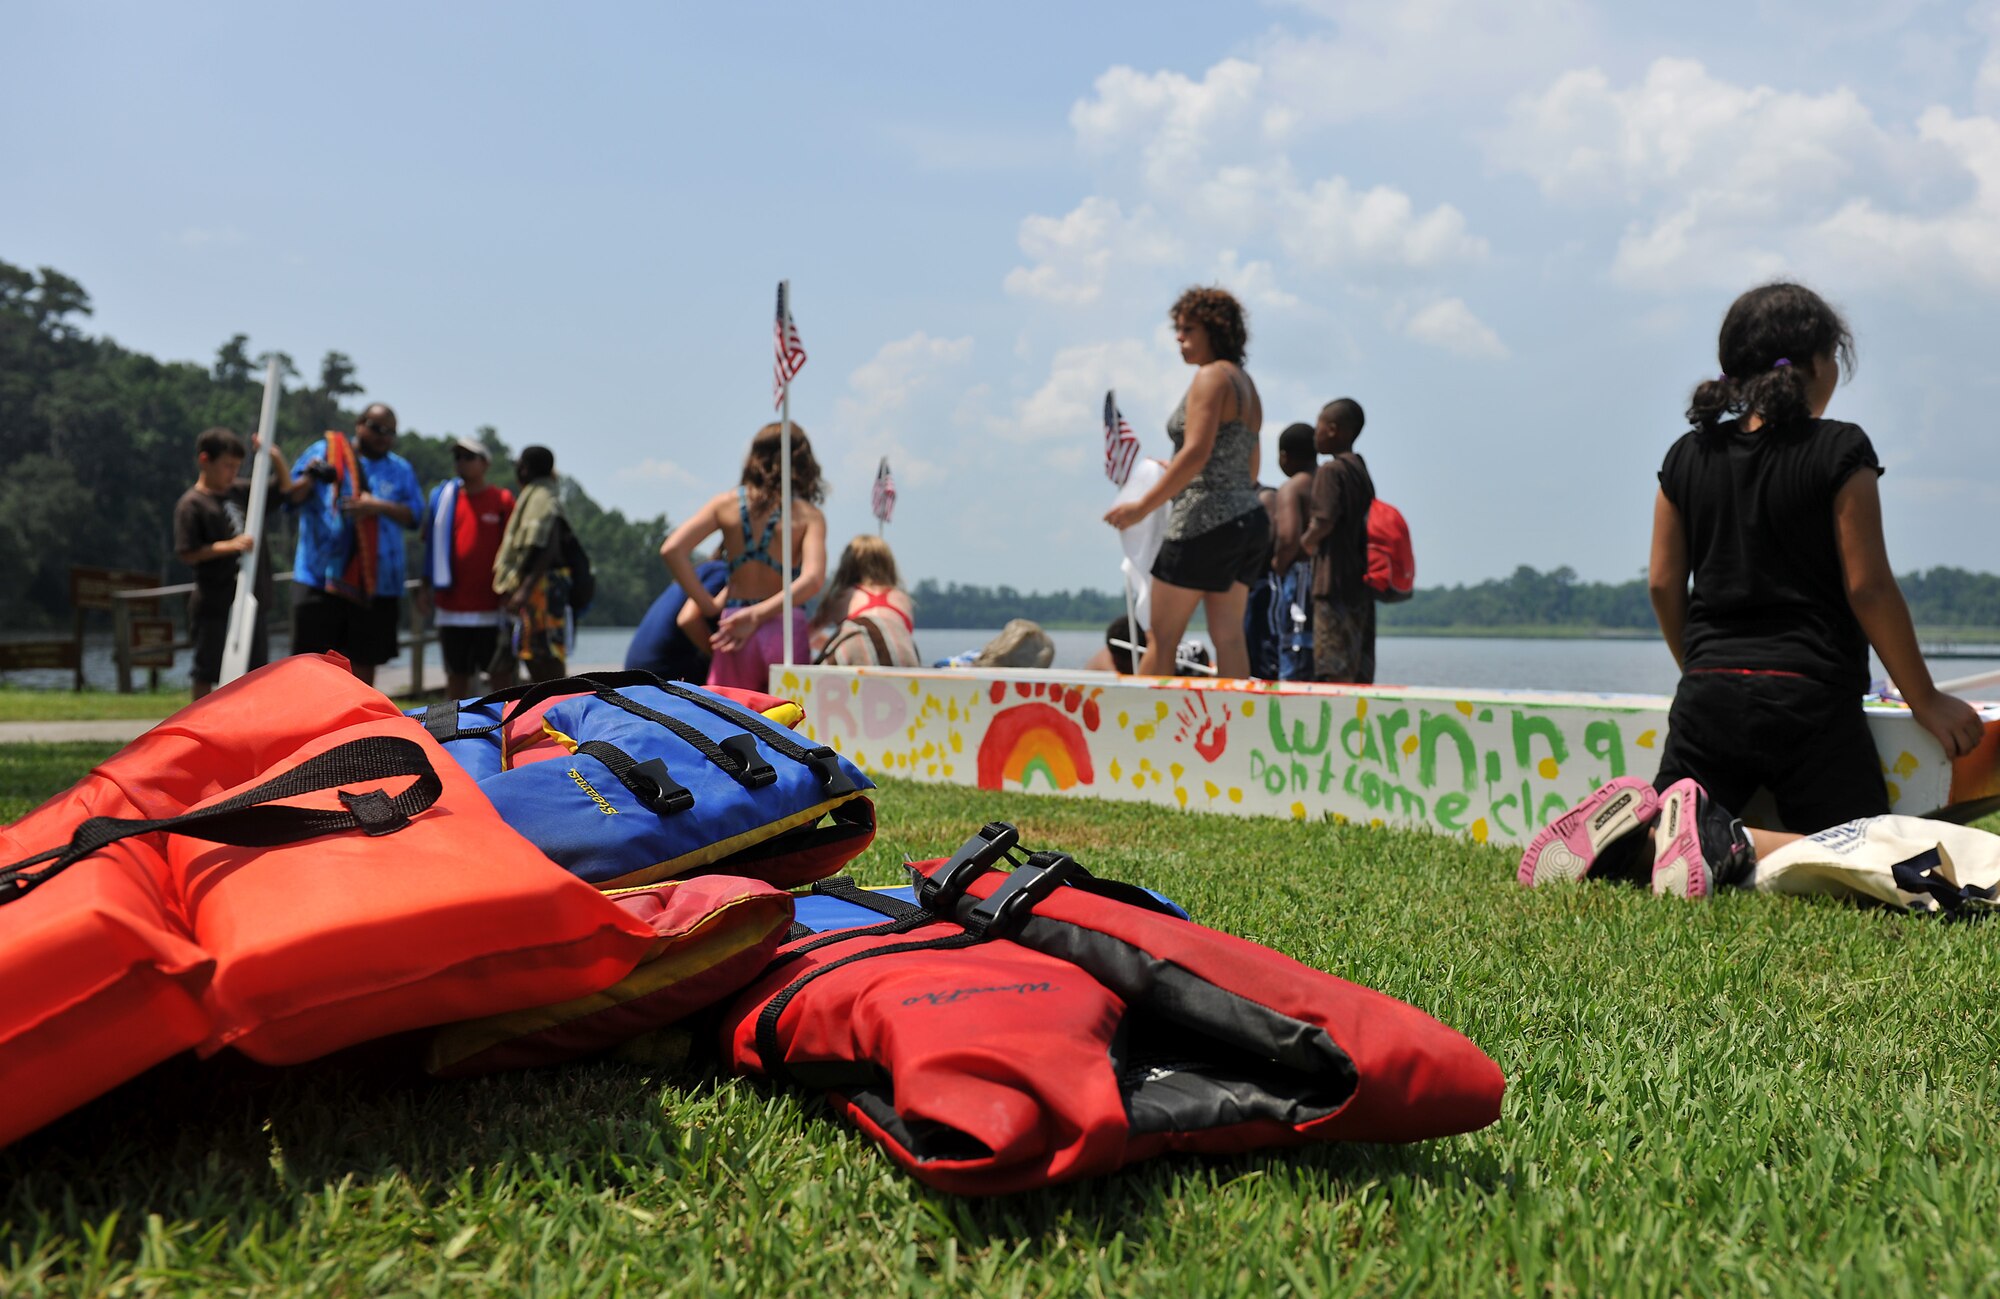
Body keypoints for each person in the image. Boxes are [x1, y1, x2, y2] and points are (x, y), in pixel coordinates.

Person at [1519, 281, 1984, 892]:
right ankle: (1726, 839)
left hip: (1708, 695)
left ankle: (1642, 834)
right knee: (1869, 851)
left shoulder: (1687, 456)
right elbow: (1868, 587)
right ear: (1819, 365)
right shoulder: (1841, 448)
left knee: (1672, 832)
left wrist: (1701, 665)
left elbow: (1663, 583)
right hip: (1808, 701)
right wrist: (1925, 699)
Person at [1102, 287, 1267, 679]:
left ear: (1216, 330)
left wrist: (1140, 507)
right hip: (1249, 519)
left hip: (1202, 522)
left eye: (1188, 329)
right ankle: (1236, 729)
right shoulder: (1247, 385)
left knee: (1161, 636)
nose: (1179, 337)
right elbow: (1251, 467)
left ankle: (1142, 732)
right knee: (1229, 637)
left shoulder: (1209, 378)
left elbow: (1196, 454)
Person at [660, 423, 828, 691]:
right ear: (802, 461)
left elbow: (672, 549)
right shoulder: (808, 515)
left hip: (734, 628)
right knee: (789, 722)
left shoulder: (724, 505)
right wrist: (758, 615)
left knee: (731, 724)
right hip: (783, 628)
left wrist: (709, 607)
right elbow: (813, 580)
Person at [283, 402, 424, 688]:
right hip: (319, 579)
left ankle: (358, 727)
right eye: (375, 428)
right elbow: (289, 497)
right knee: (309, 662)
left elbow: (416, 515)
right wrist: (311, 476)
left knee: (364, 661)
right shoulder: (325, 451)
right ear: (359, 425)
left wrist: (376, 506)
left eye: (389, 432)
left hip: (375, 584)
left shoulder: (399, 469)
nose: (382, 436)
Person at [173, 426, 287, 699]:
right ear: (205, 461)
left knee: (257, 675)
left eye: (237, 466)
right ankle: (199, 731)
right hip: (215, 603)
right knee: (206, 672)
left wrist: (274, 456)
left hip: (252, 601)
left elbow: (283, 488)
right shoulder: (192, 504)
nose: (233, 473)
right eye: (227, 466)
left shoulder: (240, 491)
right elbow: (187, 552)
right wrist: (229, 546)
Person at [419, 436, 516, 698]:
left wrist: (513, 593)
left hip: (491, 608)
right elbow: (429, 548)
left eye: (468, 457)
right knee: (456, 677)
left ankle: (509, 731)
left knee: (501, 677)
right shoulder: (443, 499)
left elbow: (516, 552)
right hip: (451, 607)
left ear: (485, 463)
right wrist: (424, 588)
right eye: (458, 457)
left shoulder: (502, 500)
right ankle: (453, 734)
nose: (461, 462)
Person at [1299, 398, 1375, 684]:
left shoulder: (1331, 471)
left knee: (1333, 668)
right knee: (1357, 670)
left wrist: (1304, 544)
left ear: (1332, 430)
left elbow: (1323, 521)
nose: (1314, 432)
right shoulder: (1359, 467)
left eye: (1318, 425)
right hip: (1360, 583)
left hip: (1332, 583)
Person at [490, 445, 572, 684]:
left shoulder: (544, 499)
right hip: (533, 588)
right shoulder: (536, 495)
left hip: (543, 589)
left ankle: (555, 707)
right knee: (524, 656)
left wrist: (524, 590)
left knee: (545, 658)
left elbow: (549, 548)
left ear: (524, 468)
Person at [810, 534, 921, 666]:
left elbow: (809, 635)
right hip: (903, 657)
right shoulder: (902, 597)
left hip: (855, 649)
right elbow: (886, 639)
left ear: (847, 566)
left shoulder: (843, 596)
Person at [625, 551, 730, 682]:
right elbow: (688, 619)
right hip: (661, 671)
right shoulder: (722, 573)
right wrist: (721, 660)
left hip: (635, 668)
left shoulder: (703, 569)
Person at [1267, 422, 1319, 682]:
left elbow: (1288, 537)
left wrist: (1277, 564)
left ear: (1284, 455)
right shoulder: (1329, 481)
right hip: (1332, 578)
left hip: (1301, 579)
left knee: (1295, 648)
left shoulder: (1292, 487)